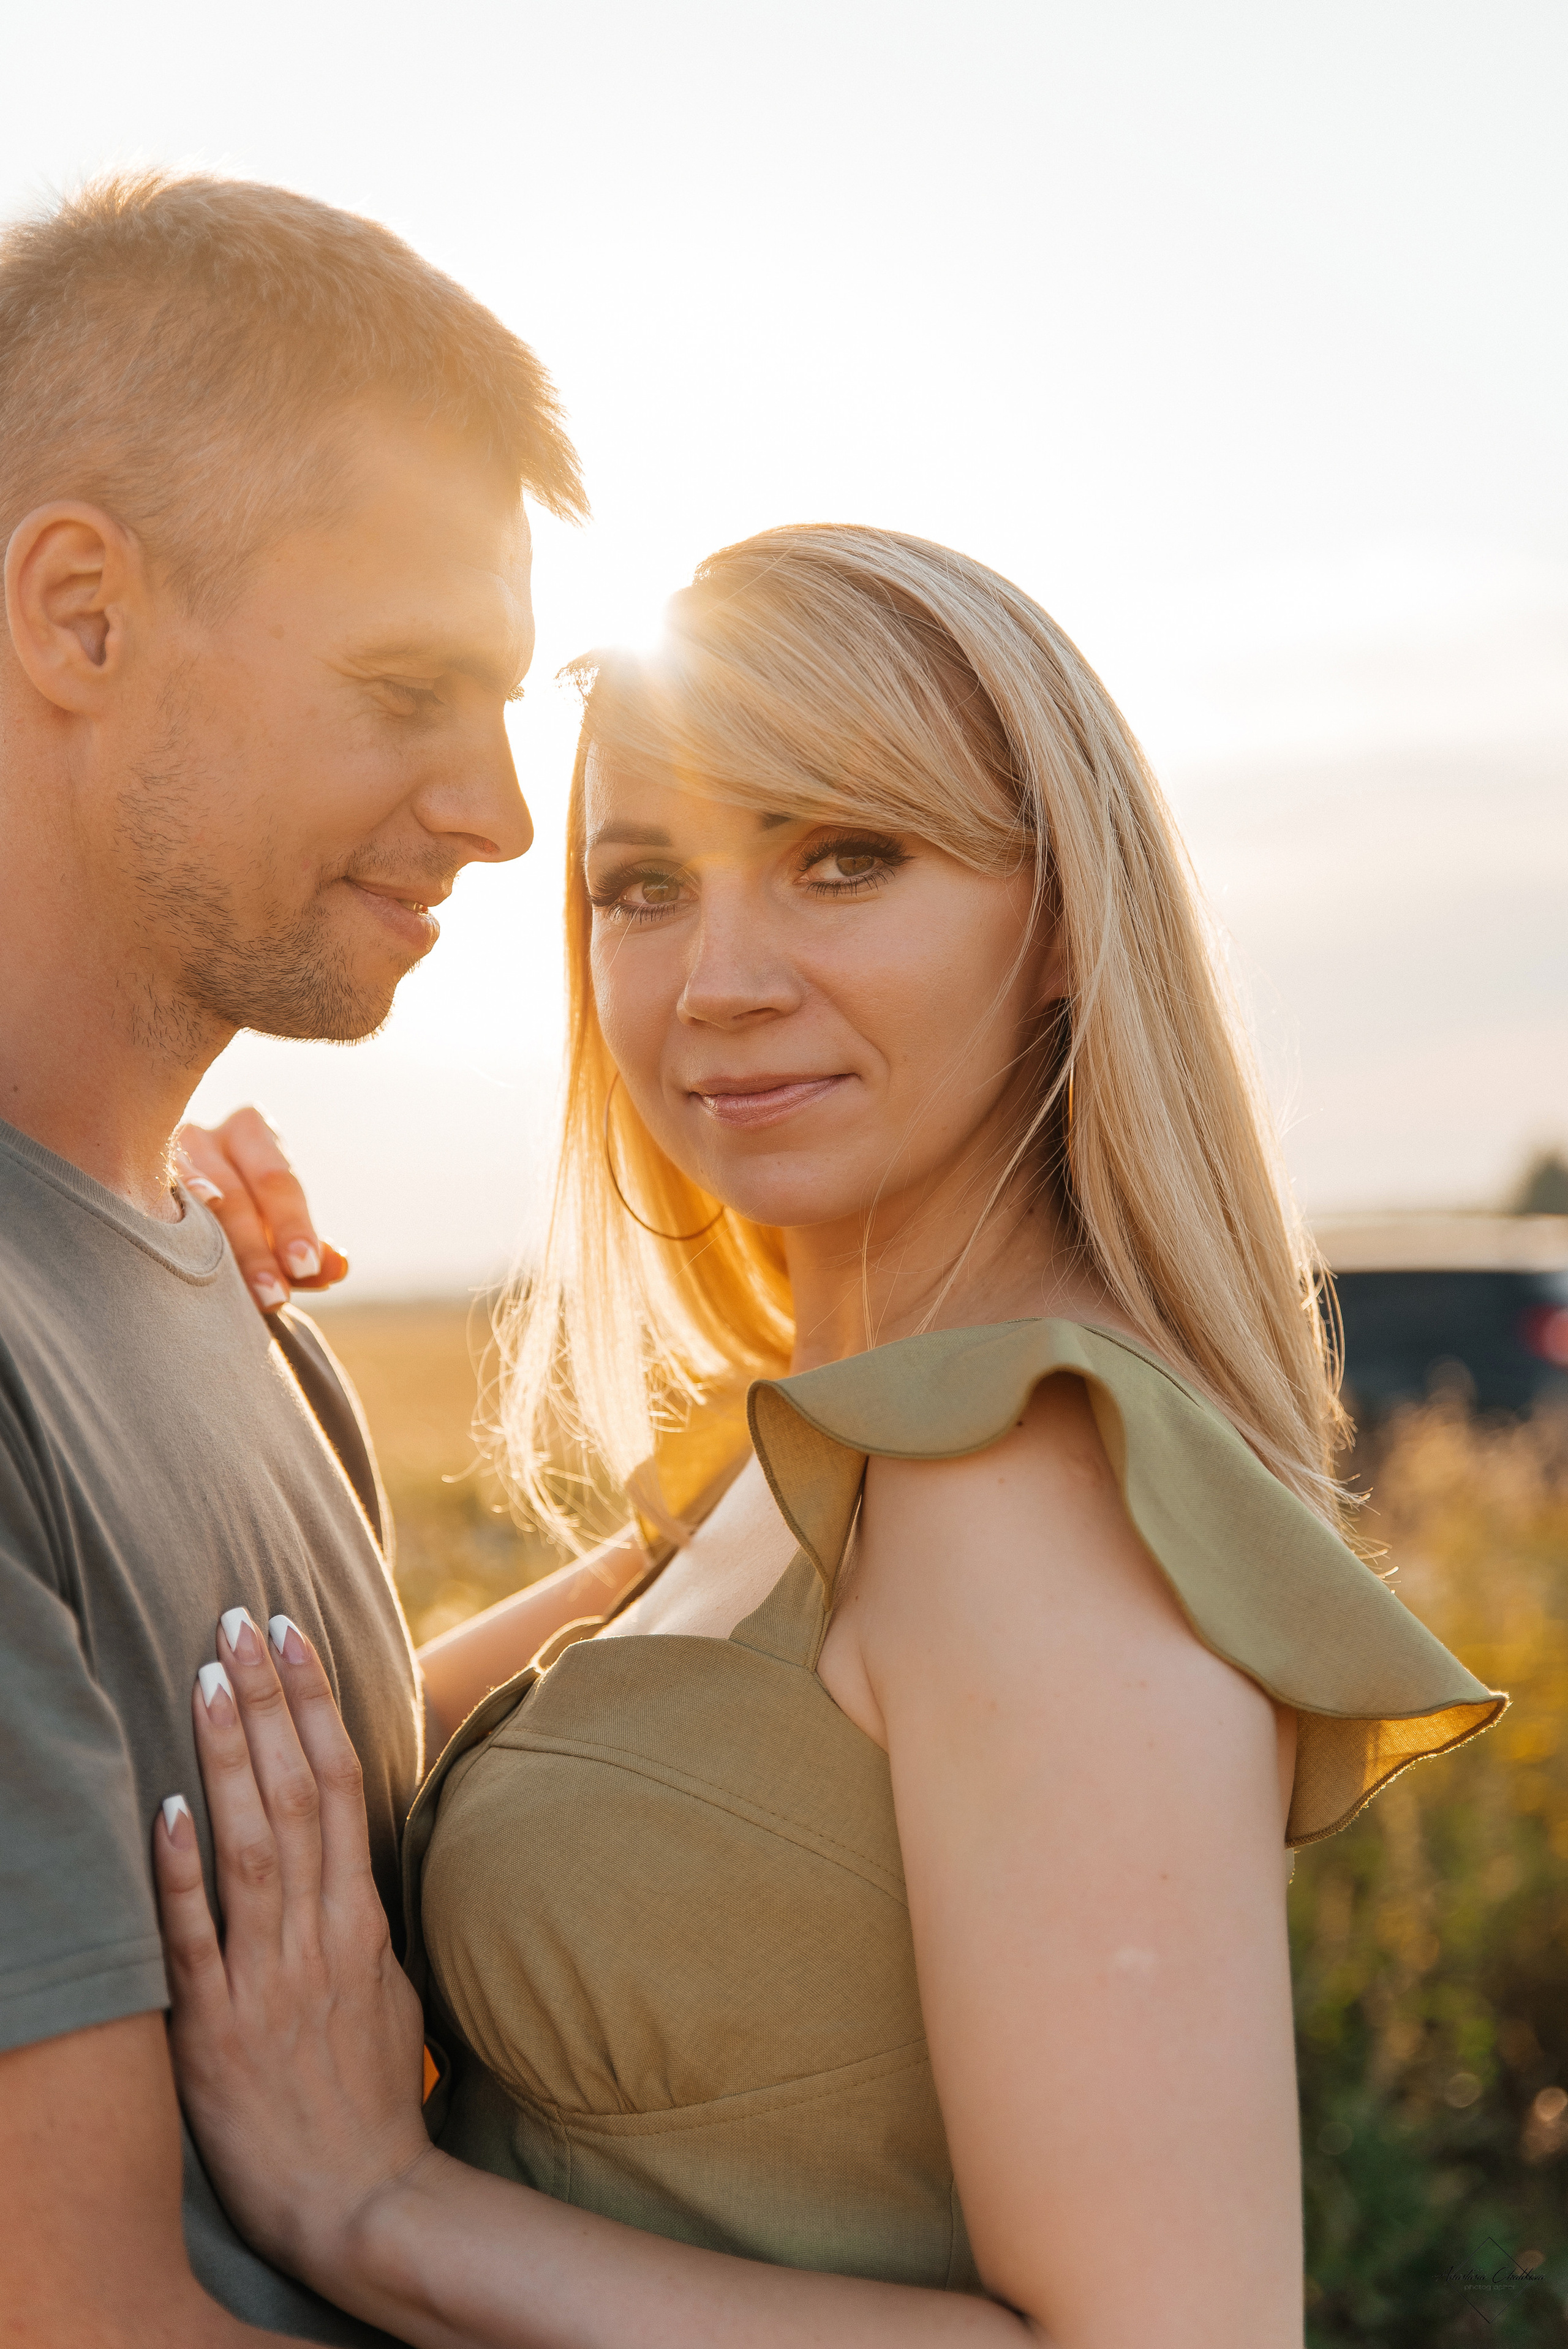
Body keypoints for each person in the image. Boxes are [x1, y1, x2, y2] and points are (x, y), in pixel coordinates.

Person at [163, 526, 1503, 2347]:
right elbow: (312, 1770)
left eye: (842, 858)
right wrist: (159, 1274)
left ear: (1057, 924)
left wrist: (375, 2205)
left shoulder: (1020, 1484)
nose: (717, 978)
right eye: (642, 885)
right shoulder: (810, 1459)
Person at [0, 169, 584, 2348]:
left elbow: (265, 1828)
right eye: (410, 684)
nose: (505, 812)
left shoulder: (224, 1290)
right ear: (79, 615)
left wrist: (728, 1531)